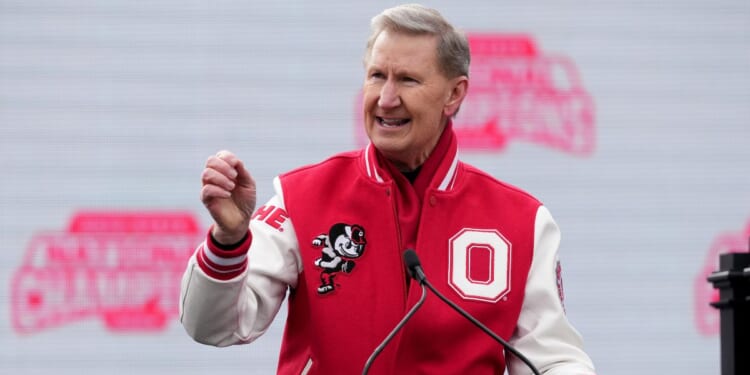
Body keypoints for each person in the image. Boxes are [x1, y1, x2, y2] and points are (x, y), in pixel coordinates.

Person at [180, 4, 596, 374]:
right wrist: (228, 240)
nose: (386, 98)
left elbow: (554, 359)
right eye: (377, 76)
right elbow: (214, 326)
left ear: (454, 95)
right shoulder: (302, 197)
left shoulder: (522, 221)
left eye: (409, 80)